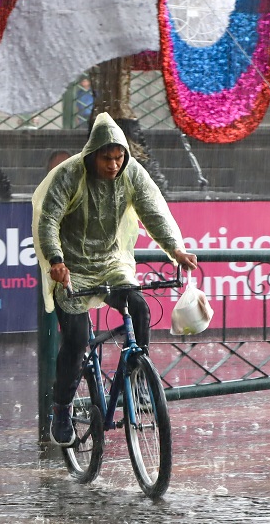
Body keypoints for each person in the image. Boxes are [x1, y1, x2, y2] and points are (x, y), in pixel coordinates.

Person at [33, 112, 198, 446]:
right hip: (71, 266)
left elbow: (153, 212)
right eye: (107, 158)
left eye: (119, 157)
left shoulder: (131, 174)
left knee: (139, 308)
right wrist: (55, 259)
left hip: (111, 261)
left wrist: (176, 251)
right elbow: (48, 220)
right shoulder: (69, 175)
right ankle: (62, 409)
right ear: (93, 154)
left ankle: (138, 380)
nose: (113, 164)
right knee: (77, 340)